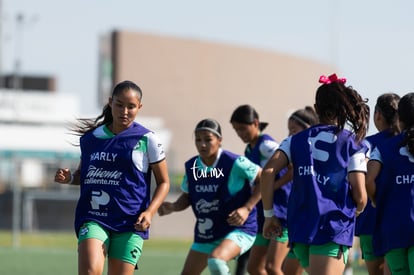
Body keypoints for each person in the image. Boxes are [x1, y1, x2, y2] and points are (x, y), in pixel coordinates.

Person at [54, 80, 170, 275]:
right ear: (110, 102)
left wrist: (150, 212)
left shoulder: (148, 139)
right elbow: (83, 175)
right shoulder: (91, 139)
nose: (125, 111)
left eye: (131, 106)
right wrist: (69, 178)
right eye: (119, 105)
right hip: (94, 217)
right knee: (91, 271)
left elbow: (164, 182)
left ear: (139, 107)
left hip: (130, 222)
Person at [261, 73, 369, 275]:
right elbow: (360, 195)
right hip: (331, 228)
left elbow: (268, 172)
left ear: (316, 108)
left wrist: (269, 216)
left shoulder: (294, 140)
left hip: (300, 228)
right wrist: (358, 209)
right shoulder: (352, 142)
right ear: (342, 109)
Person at [158, 118, 262, 275]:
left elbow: (264, 179)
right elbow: (187, 197)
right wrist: (173, 206)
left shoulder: (234, 162)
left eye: (208, 139)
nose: (202, 144)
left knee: (216, 261)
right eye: (198, 140)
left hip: (239, 229)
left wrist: (246, 208)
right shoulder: (192, 166)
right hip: (208, 232)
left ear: (219, 140)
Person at [230, 104, 317, 275]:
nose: (240, 133)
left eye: (242, 128)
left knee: (273, 267)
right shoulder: (250, 148)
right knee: (254, 268)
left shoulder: (267, 145)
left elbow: (290, 168)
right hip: (265, 214)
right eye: (236, 130)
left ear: (255, 123)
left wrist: (270, 187)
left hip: (282, 212)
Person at [366, 92, 414, 275]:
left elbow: (368, 180)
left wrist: (375, 200)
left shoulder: (383, 148)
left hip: (393, 230)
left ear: (400, 118)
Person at [356, 93, 400, 275]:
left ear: (378, 115)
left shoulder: (367, 144)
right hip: (399, 219)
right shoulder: (406, 143)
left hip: (370, 222)